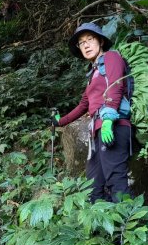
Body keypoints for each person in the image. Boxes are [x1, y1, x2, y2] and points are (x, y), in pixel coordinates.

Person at [52, 22, 132, 203]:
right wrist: (59, 121)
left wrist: (109, 119)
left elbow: (116, 87)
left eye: (90, 39)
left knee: (116, 180)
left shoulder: (112, 57)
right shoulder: (93, 73)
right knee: (93, 186)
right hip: (97, 131)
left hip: (114, 126)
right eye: (81, 42)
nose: (86, 45)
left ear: (101, 41)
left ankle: (129, 225)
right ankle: (102, 227)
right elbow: (83, 105)